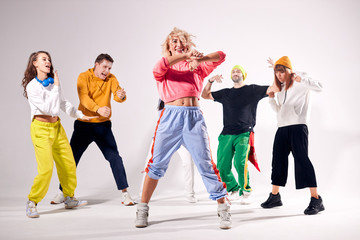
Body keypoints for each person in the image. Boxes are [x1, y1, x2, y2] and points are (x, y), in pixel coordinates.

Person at [135, 27, 231, 229]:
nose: (179, 44)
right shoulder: (165, 68)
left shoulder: (198, 67)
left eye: (182, 41)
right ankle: (142, 208)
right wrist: (186, 56)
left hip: (194, 119)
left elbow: (221, 55)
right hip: (170, 118)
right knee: (156, 164)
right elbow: (159, 66)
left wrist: (200, 60)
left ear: (188, 44)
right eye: (174, 42)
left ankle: (223, 210)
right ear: (169, 47)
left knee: (206, 164)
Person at [51, 53, 134, 206]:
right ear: (96, 64)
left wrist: (121, 96)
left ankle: (125, 194)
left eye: (109, 68)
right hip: (84, 125)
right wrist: (98, 109)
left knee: (114, 157)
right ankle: (63, 192)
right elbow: (84, 98)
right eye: (104, 67)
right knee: (71, 159)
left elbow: (117, 95)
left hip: (103, 126)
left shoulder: (112, 78)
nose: (106, 71)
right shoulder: (83, 76)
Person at [22, 51, 92, 218]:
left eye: (49, 59)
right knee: (46, 168)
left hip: (57, 128)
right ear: (35, 63)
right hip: (40, 129)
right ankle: (32, 201)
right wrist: (57, 87)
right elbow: (50, 108)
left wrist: (80, 115)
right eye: (43, 59)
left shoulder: (52, 84)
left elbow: (63, 104)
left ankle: (69, 197)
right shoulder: (32, 86)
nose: (48, 61)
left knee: (68, 163)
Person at [202, 65, 276, 204]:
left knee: (239, 163)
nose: (235, 73)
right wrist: (210, 81)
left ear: (243, 74)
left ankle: (246, 190)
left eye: (238, 71)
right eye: (233, 71)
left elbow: (274, 88)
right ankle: (234, 188)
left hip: (244, 132)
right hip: (226, 134)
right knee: (222, 166)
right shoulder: (226, 93)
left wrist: (275, 70)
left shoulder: (252, 90)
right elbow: (205, 95)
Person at [260, 56, 324, 215]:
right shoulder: (280, 88)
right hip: (282, 128)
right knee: (278, 161)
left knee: (302, 160)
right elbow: (279, 110)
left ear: (289, 70)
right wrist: (271, 99)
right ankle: (275, 196)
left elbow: (320, 87)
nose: (279, 75)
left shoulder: (300, 81)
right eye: (277, 72)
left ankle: (316, 199)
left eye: (281, 71)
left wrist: (301, 79)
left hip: (298, 127)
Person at [139, 100, 198, 203]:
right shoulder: (162, 100)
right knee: (149, 163)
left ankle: (190, 194)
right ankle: (142, 194)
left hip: (182, 135)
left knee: (188, 162)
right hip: (163, 137)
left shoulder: (183, 99)